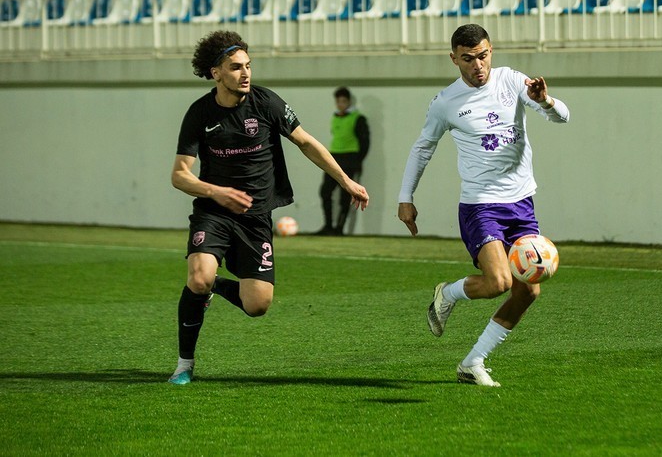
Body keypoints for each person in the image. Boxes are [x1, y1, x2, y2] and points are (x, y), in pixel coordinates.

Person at [169, 30, 369, 385]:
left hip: (256, 217)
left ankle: (213, 287)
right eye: (236, 67)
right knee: (197, 278)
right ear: (216, 73)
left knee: (257, 305)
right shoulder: (200, 113)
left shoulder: (266, 103)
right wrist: (216, 192)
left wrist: (345, 180)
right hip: (214, 213)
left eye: (248, 65)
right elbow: (180, 175)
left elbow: (306, 142)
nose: (245, 73)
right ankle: (184, 365)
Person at [397, 24, 570, 387]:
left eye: (483, 56)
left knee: (529, 290)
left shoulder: (512, 81)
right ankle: (448, 292)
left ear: (491, 51)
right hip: (481, 205)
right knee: (498, 282)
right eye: (468, 59)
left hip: (522, 203)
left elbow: (562, 117)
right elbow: (422, 148)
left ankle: (473, 361)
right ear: (454, 59)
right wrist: (405, 197)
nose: (478, 65)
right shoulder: (446, 102)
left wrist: (544, 101)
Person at [316, 87, 370, 235]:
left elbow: (365, 143)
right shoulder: (334, 117)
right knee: (325, 192)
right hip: (334, 158)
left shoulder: (358, 118)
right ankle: (328, 226)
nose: (341, 104)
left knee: (345, 195)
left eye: (343, 101)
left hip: (350, 158)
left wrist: (357, 162)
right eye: (338, 101)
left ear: (349, 102)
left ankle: (339, 228)